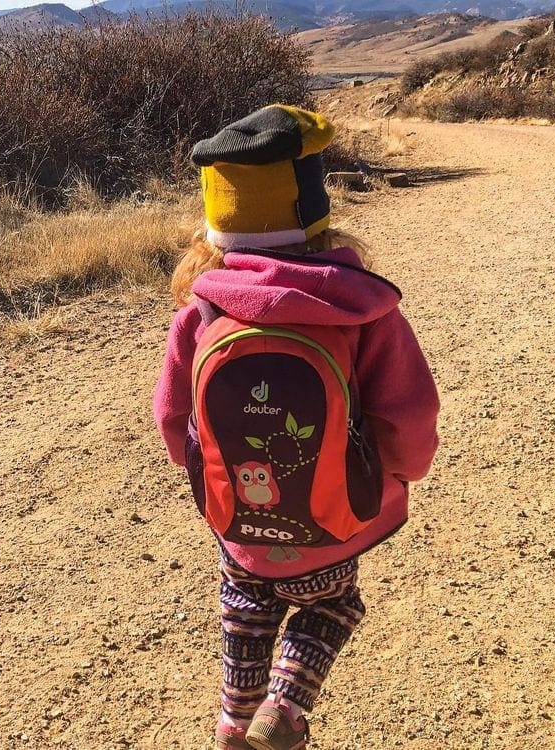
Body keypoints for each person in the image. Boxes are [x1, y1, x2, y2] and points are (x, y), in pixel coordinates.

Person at [152, 105, 439, 750]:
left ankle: (233, 720)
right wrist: (399, 475)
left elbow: (173, 420)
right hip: (334, 517)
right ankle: (286, 700)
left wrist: (208, 476)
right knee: (331, 604)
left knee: (247, 605)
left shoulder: (202, 311)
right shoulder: (359, 310)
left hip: (241, 520)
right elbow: (408, 418)